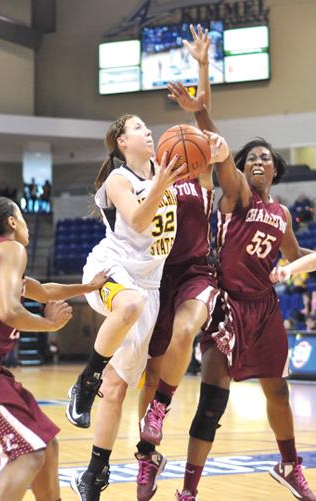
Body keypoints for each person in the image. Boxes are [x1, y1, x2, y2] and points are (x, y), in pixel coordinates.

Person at [67, 113, 228, 500]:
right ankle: (84, 382)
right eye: (138, 127)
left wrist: (216, 152)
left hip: (151, 287)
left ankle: (93, 473)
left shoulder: (168, 165)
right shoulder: (119, 179)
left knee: (119, 387)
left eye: (147, 127)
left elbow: (204, 158)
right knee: (130, 305)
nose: (148, 131)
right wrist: (162, 181)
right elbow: (139, 221)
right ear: (122, 141)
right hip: (112, 271)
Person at [168, 80, 316, 501]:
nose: (257, 161)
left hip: (265, 310)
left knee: (278, 391)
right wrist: (200, 112)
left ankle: (289, 465)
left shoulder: (281, 213)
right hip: (227, 308)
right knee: (213, 401)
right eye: (250, 157)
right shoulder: (237, 194)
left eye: (264, 158)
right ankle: (189, 491)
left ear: (274, 169)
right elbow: (219, 152)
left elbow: (293, 255)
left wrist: (307, 259)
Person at [135, 24, 223, 501]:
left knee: (189, 329)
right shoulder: (154, 180)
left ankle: (162, 409)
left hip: (196, 273)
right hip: (157, 277)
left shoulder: (205, 171)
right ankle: (145, 459)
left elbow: (206, 127)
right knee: (148, 374)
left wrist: (202, 71)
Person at [0, 195, 109, 501]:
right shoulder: (11, 249)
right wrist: (49, 326)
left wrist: (88, 287)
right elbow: (8, 312)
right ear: (12, 223)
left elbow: (43, 291)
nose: (28, 227)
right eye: (24, 218)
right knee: (28, 453)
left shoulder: (1, 262)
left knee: (46, 443)